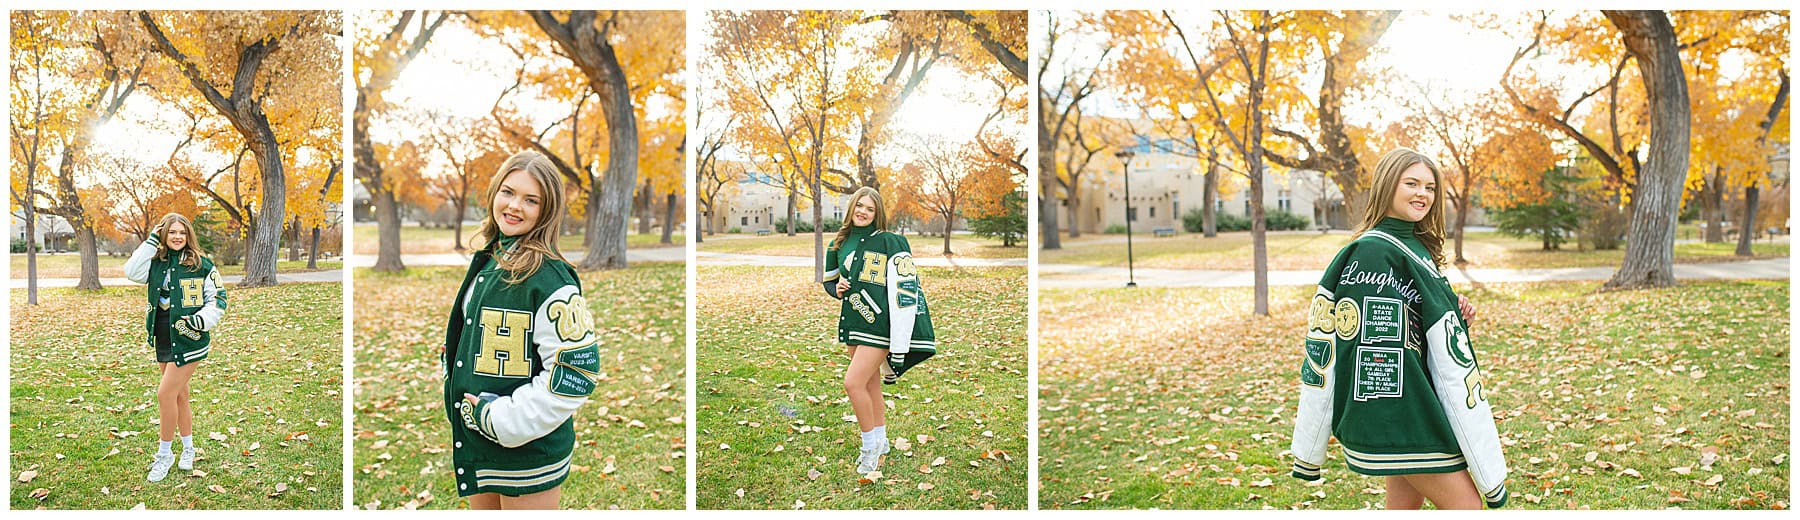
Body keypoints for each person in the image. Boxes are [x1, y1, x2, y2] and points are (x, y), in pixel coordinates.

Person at [1289, 148, 1508, 509]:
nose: (1422, 194)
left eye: (1430, 187)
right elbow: (1373, 346)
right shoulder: (1372, 251)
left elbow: (1413, 324)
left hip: (1415, 403)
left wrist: (1454, 313)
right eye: (1411, 184)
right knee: (1466, 507)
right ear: (1388, 185)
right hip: (1401, 412)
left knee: (1403, 508)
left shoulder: (1415, 245)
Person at [442, 150, 600, 509]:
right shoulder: (492, 259)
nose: (515, 206)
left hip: (527, 451)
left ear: (547, 211)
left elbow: (577, 372)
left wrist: (502, 420)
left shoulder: (549, 277)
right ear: (495, 191)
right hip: (479, 443)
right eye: (508, 192)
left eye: (532, 200)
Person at [821, 187, 936, 475]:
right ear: (851, 207)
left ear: (877, 213)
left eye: (870, 209)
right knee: (869, 383)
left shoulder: (889, 241)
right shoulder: (837, 244)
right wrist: (837, 290)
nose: (863, 212)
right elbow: (829, 282)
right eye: (859, 206)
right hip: (854, 319)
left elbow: (906, 285)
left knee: (853, 383)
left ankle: (869, 447)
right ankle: (881, 439)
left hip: (881, 324)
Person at [124, 212, 227, 483]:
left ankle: (165, 453)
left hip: (189, 338)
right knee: (180, 396)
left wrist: (199, 321)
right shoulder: (155, 263)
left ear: (189, 235)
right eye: (171, 232)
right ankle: (189, 448)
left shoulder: (202, 265)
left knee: (164, 395)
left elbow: (218, 297)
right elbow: (131, 272)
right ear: (164, 234)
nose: (177, 237)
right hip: (162, 335)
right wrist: (151, 240)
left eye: (182, 232)